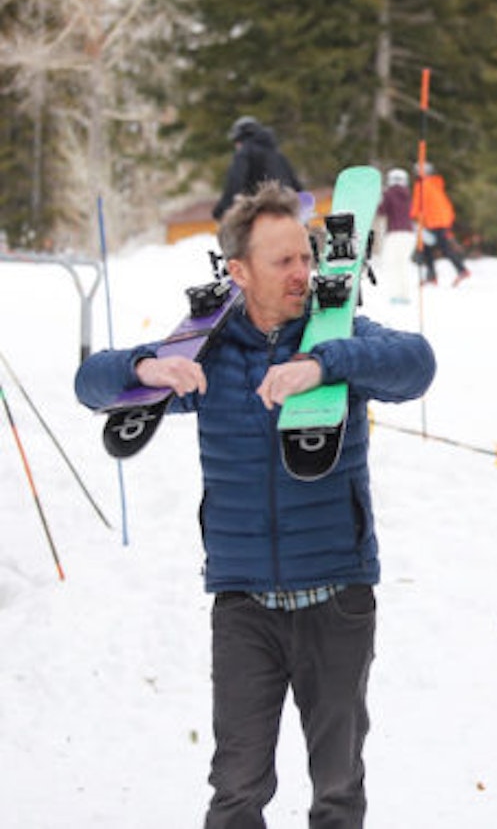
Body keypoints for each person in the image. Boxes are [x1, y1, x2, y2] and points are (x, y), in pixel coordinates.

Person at [74, 183, 436, 828]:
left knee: (337, 786)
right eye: (283, 261)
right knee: (236, 788)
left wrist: (322, 365)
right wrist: (145, 367)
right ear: (239, 272)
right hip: (243, 605)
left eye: (306, 257)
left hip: (336, 595)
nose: (302, 273)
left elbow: (416, 365)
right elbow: (89, 384)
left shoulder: (338, 332)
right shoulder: (208, 355)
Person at [213, 116, 303, 220]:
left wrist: (222, 209)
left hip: (263, 210)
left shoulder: (244, 153)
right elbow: (296, 185)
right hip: (288, 211)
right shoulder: (277, 154)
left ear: (241, 138)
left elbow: (236, 182)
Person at [410, 161, 470, 287]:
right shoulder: (435, 184)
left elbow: (417, 205)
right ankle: (432, 276)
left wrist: (411, 216)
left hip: (434, 223)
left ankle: (461, 270)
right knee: (428, 248)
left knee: (443, 248)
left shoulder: (422, 185)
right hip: (441, 221)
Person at [376, 167, 415, 304]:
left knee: (392, 264)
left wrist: (378, 198)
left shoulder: (389, 193)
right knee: (403, 264)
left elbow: (381, 211)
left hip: (395, 233)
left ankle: (396, 294)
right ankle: (405, 294)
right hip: (409, 233)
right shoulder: (408, 194)